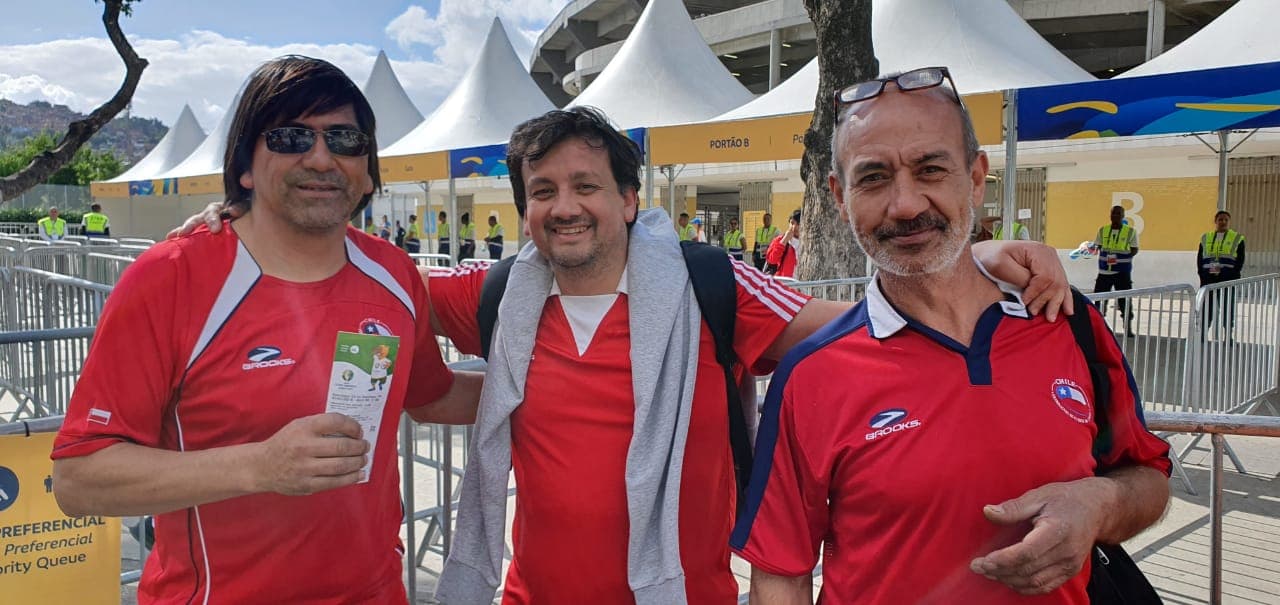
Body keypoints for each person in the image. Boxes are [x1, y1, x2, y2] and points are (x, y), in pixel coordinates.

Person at [173, 106, 1074, 604]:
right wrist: (242, 227)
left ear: (630, 198)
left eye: (585, 187)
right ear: (524, 207)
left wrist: (967, 260)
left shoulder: (704, 286)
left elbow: (852, 319)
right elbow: (370, 272)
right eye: (543, 192)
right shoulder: (496, 297)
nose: (564, 207)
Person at [50, 55, 480, 605]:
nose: (322, 157)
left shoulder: (394, 274)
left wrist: (564, 388)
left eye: (346, 139)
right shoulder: (170, 278)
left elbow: (432, 396)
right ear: (246, 167)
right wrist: (260, 465)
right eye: (291, 137)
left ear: (369, 169)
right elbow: (79, 479)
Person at [733, 65, 1171, 605]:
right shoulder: (809, 376)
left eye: (931, 169)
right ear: (839, 198)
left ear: (977, 176)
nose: (906, 204)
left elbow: (1149, 479)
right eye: (872, 177)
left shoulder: (1066, 323)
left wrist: (1098, 504)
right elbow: (782, 573)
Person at [1197, 210, 1246, 337]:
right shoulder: (1205, 238)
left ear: (1229, 222)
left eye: (1225, 220)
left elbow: (1240, 260)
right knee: (1206, 307)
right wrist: (1202, 274)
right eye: (1220, 219)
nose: (1223, 222)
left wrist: (1233, 275)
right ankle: (1202, 334)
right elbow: (1200, 259)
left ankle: (1228, 335)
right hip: (1208, 278)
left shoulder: (1237, 238)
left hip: (1227, 279)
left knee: (1227, 307)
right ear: (1215, 221)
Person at [1093, 205, 1139, 336]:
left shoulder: (1130, 232)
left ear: (1123, 216)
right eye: (1113, 214)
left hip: (1122, 272)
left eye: (1118, 214)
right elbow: (1099, 246)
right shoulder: (1103, 230)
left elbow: (1134, 249)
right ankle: (1099, 328)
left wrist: (1121, 256)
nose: (1115, 216)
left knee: (1125, 300)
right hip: (1104, 272)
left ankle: (1127, 327)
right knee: (1100, 301)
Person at [765, 210, 801, 278]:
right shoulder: (779, 240)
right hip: (784, 284)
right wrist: (784, 240)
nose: (794, 227)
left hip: (802, 284)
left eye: (798, 224)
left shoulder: (808, 243)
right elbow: (772, 260)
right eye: (792, 223)